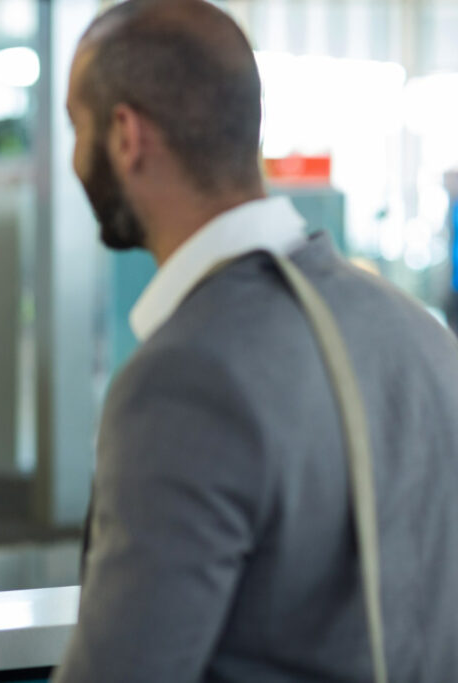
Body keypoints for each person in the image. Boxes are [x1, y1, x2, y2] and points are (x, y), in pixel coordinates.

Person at [55, 1, 458, 680]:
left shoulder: (186, 374)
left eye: (77, 126)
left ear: (126, 135)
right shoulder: (416, 330)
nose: (73, 155)